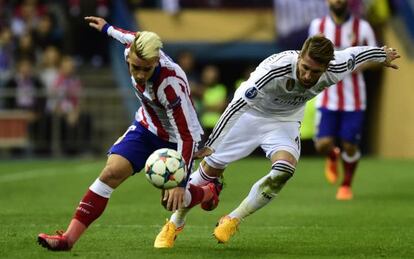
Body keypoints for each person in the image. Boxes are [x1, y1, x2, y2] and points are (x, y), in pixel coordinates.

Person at [155, 35, 400, 246]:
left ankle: (232, 219)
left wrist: (382, 54)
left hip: (284, 121)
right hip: (249, 114)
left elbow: (356, 54)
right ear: (300, 56)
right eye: (304, 67)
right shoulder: (273, 71)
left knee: (284, 170)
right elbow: (237, 105)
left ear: (327, 66)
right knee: (210, 169)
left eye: (315, 72)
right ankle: (176, 222)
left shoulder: (337, 66)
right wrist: (212, 143)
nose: (307, 75)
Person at [37, 16, 221, 251]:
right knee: (111, 172)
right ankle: (68, 239)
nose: (140, 74)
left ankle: (208, 191)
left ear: (156, 61)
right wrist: (106, 28)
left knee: (174, 200)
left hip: (178, 138)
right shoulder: (131, 48)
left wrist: (181, 183)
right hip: (146, 127)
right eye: (135, 68)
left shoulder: (170, 85)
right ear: (130, 56)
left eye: (147, 69)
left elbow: (186, 135)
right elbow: (123, 35)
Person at [308, 0, 378, 200]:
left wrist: (357, 65)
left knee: (350, 145)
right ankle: (332, 155)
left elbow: (375, 57)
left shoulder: (362, 27)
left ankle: (346, 185)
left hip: (354, 99)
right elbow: (309, 54)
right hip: (327, 96)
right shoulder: (317, 26)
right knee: (322, 144)